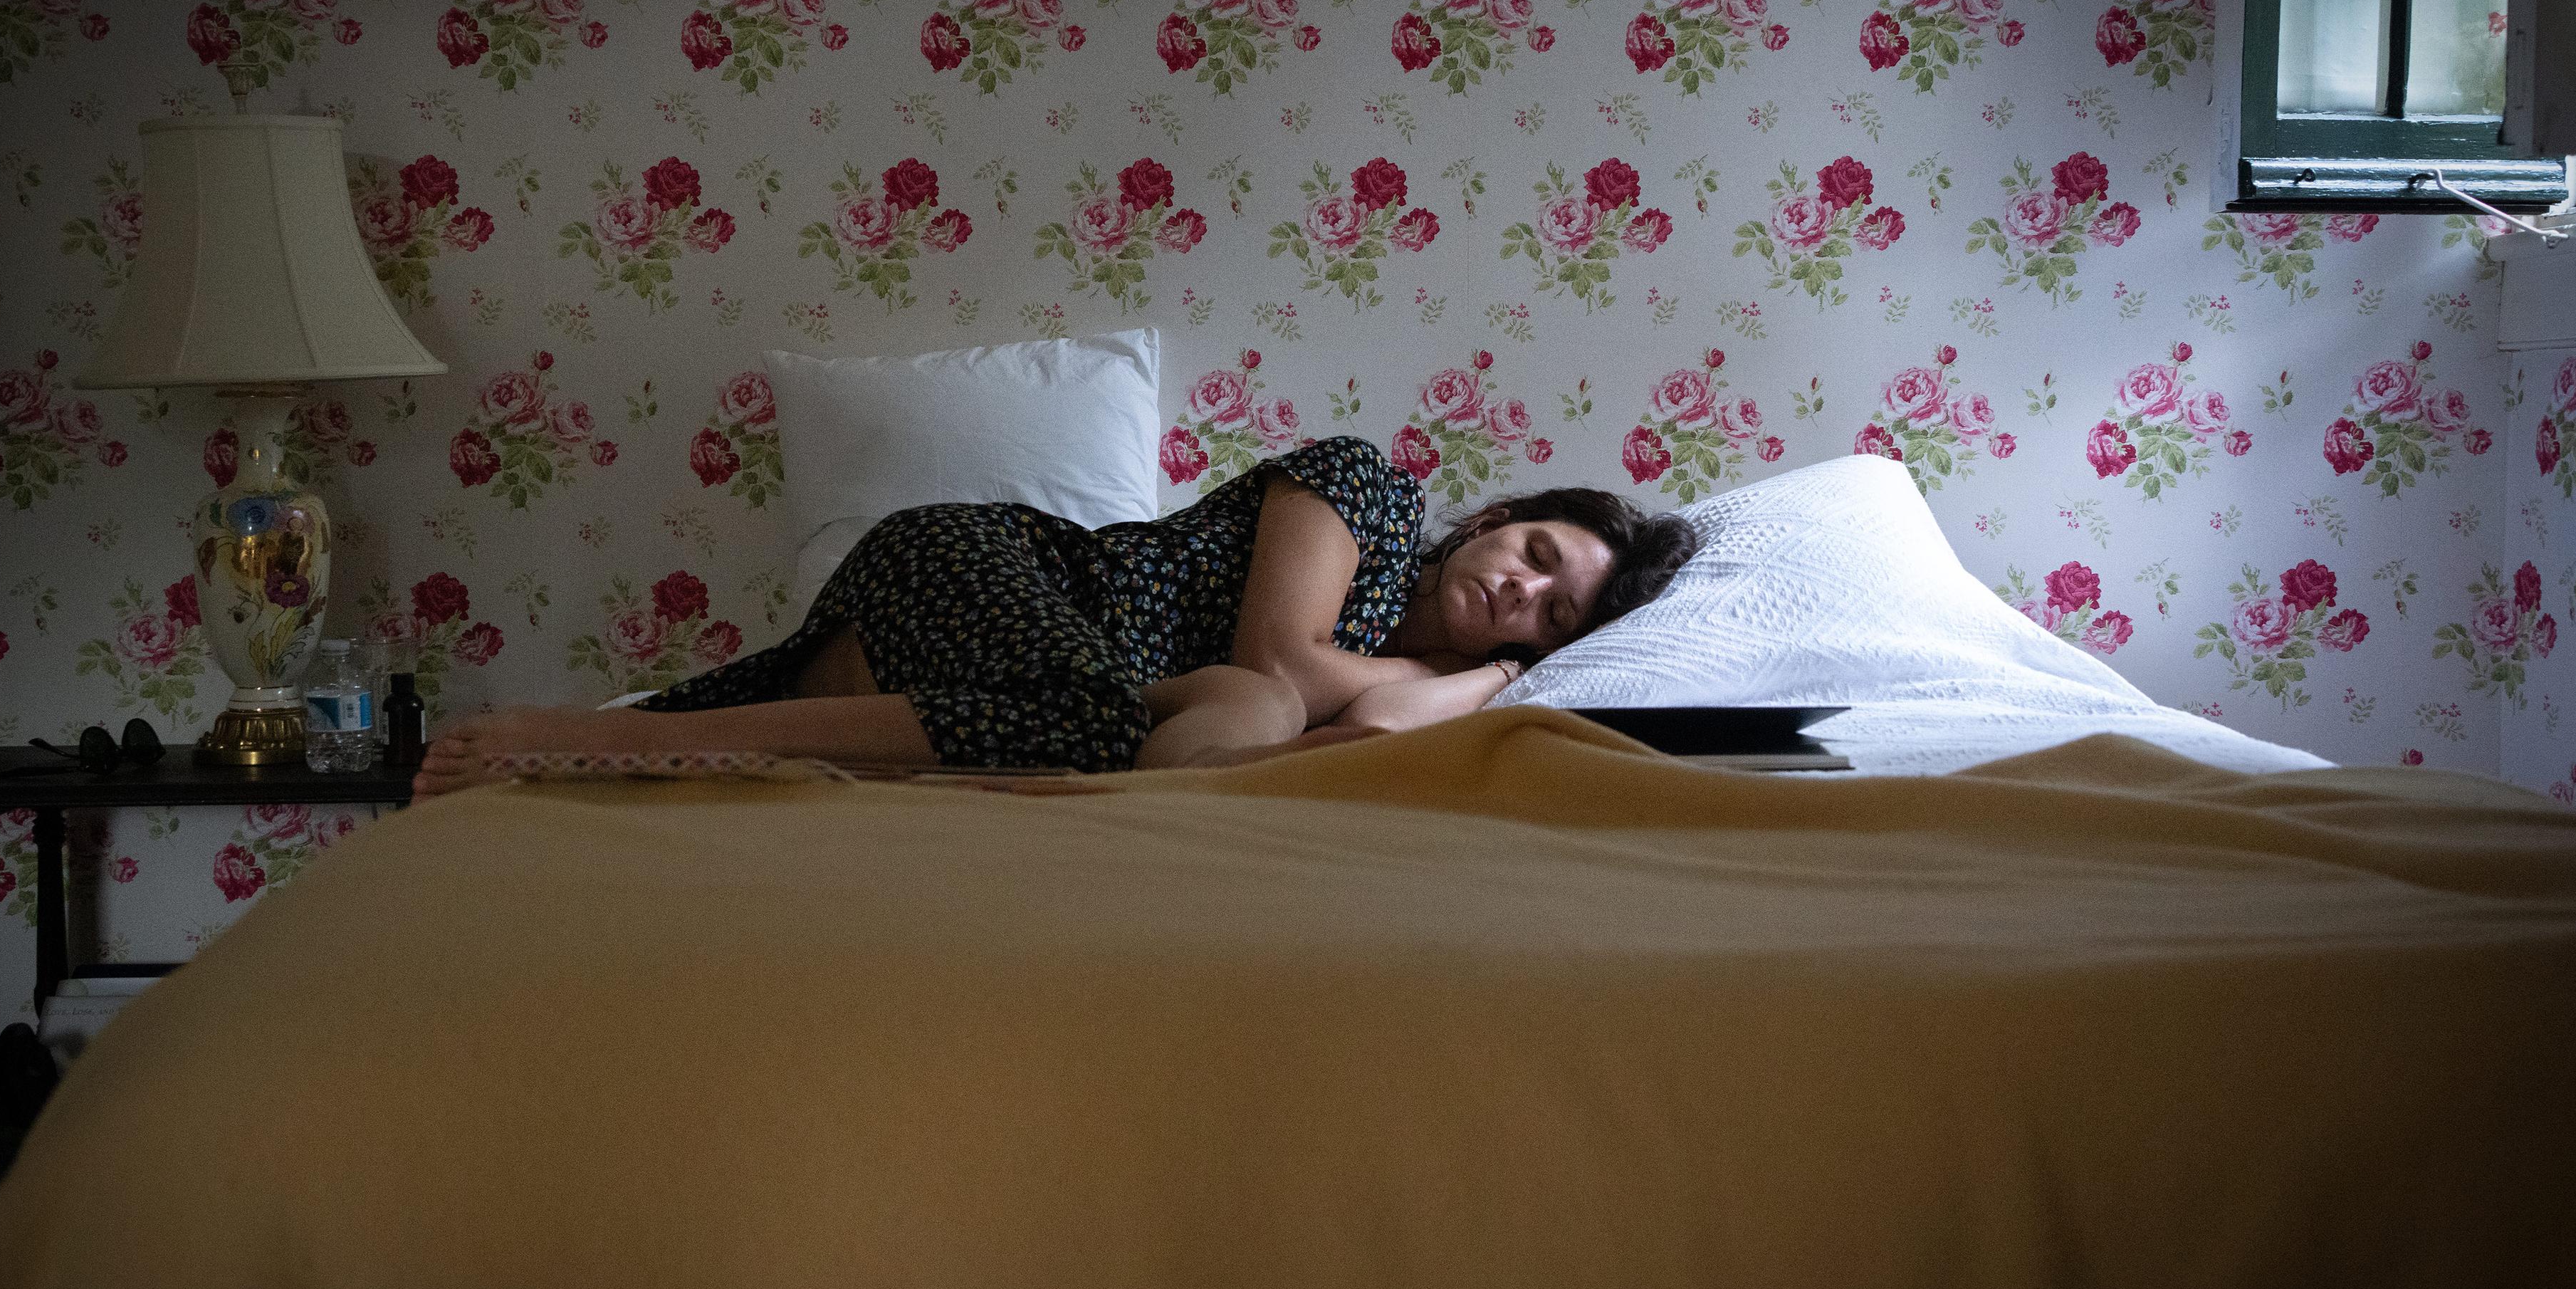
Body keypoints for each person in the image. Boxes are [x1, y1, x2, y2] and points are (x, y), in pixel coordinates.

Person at [414, 435, 1699, 795]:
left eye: (1548, 618)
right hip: (994, 569)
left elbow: (1339, 723)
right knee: (1110, 723)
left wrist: (1484, 686)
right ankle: (608, 737)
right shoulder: (1365, 489)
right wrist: (1471, 679)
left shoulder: (1423, 683)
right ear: (1492, 520)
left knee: (1125, 732)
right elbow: (1280, 662)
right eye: (1535, 553)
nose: (1521, 590)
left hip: (1066, 701)